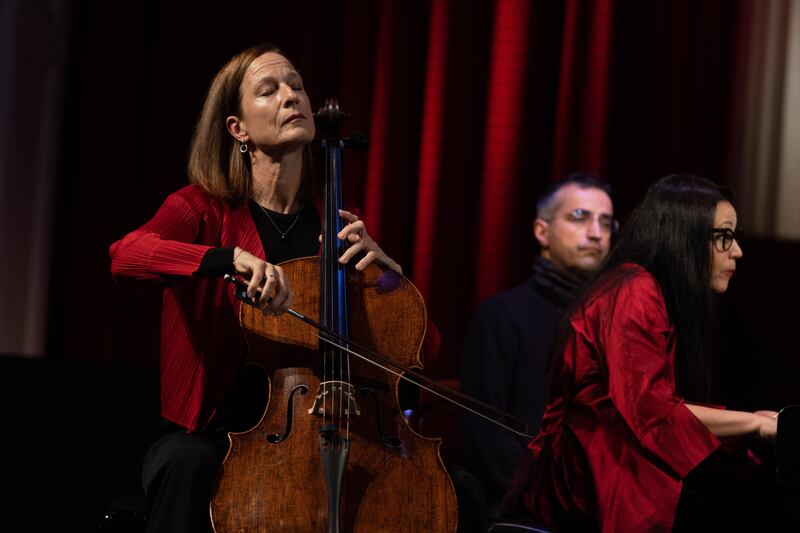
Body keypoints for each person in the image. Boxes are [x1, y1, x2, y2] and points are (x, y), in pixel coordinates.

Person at [109, 43, 403, 532]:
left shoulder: (338, 226)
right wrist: (226, 258)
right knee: (188, 465)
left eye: (297, 86)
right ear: (237, 129)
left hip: (320, 434)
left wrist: (391, 281)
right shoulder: (201, 209)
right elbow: (126, 257)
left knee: (456, 487)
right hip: (211, 435)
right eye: (269, 90)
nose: (291, 96)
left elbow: (421, 350)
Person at [503, 174, 778, 532]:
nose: (737, 251)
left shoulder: (647, 289)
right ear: (685, 235)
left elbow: (655, 404)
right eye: (724, 236)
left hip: (607, 467)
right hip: (588, 482)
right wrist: (754, 423)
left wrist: (751, 423)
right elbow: (652, 411)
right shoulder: (633, 291)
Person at [459, 173, 614, 514]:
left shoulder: (613, 319)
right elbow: (486, 438)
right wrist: (554, 501)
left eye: (606, 222)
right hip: (527, 508)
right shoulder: (501, 315)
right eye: (580, 217)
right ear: (542, 231)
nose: (596, 233)